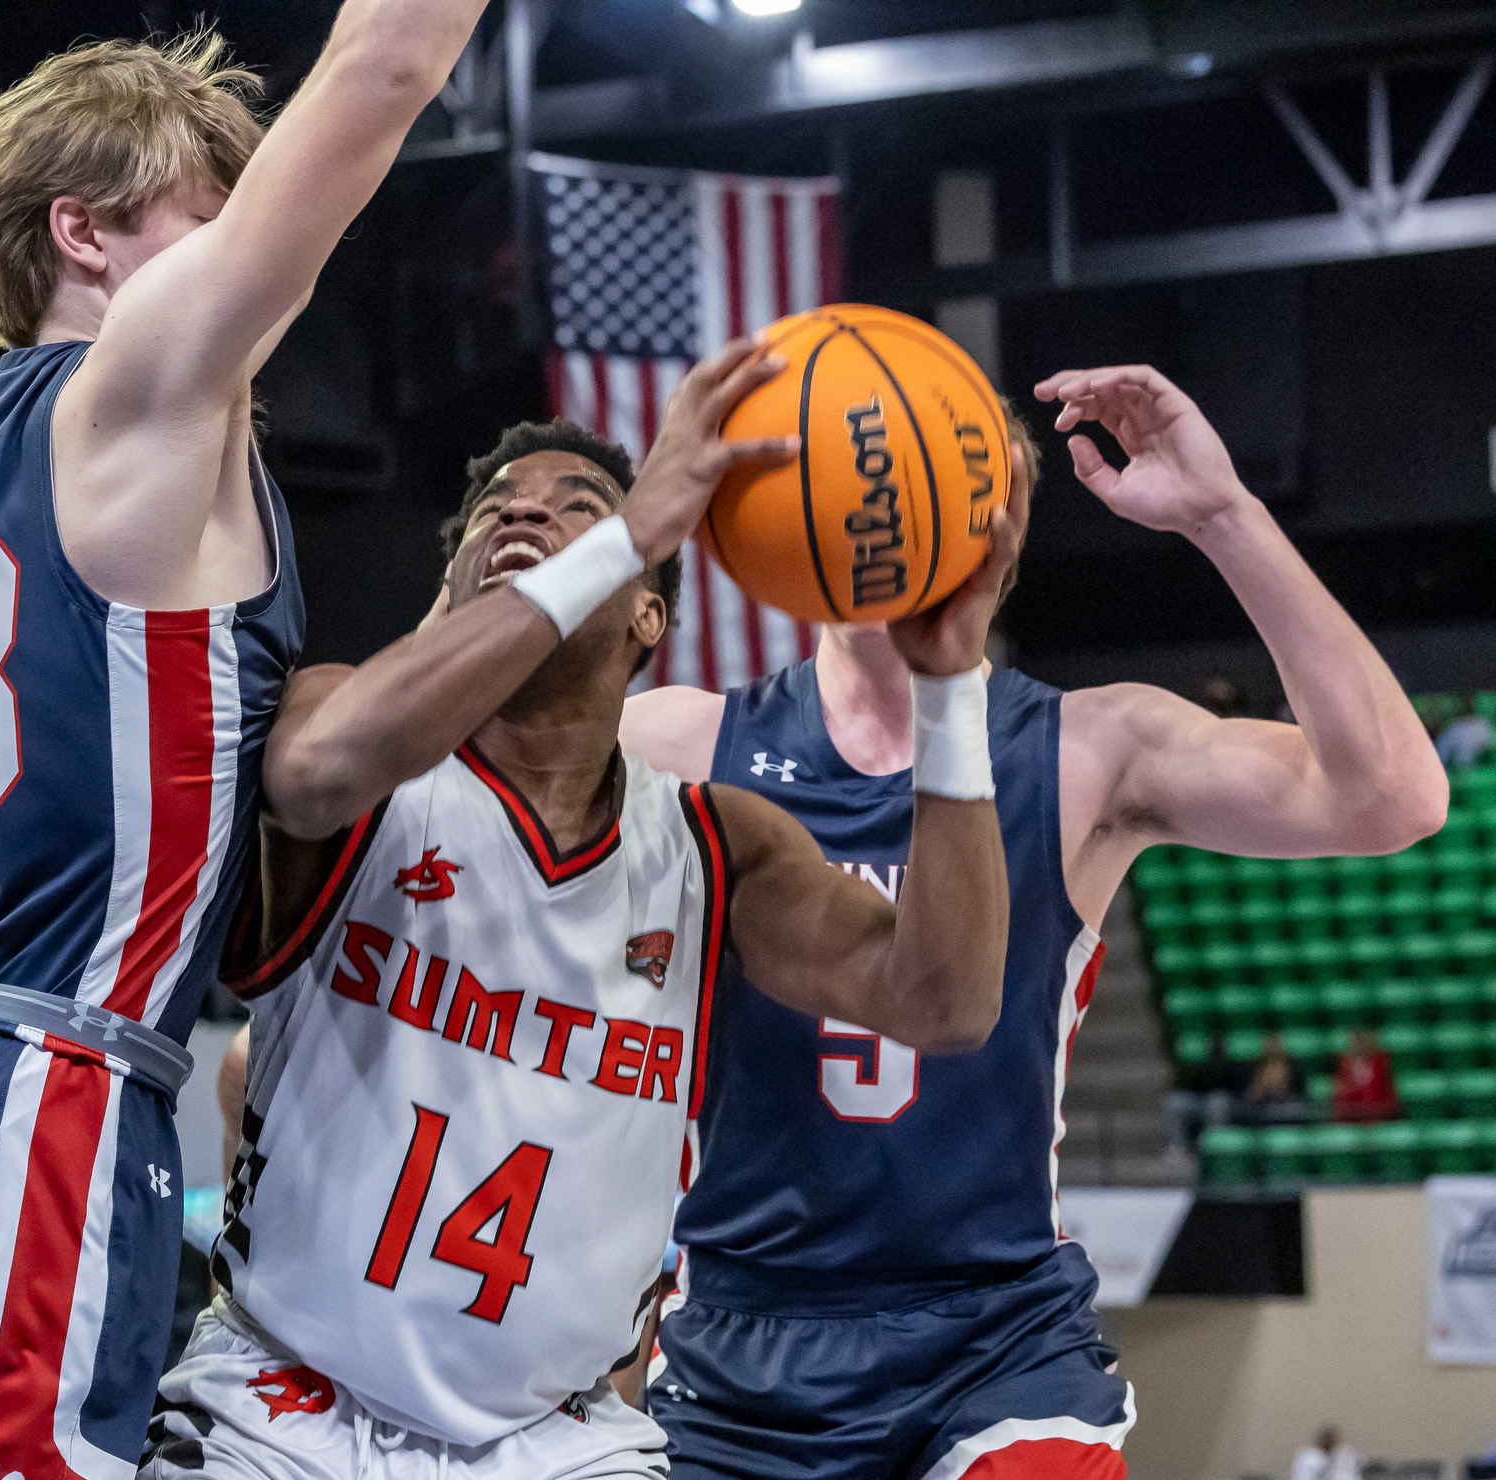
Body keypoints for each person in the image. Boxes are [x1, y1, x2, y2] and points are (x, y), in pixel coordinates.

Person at [0, 10, 499, 1476]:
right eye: (208, 209)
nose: (252, 243)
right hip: (27, 1090)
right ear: (84, 236)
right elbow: (381, 69)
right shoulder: (128, 391)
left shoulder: (39, 432)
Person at [141, 341, 1019, 1476]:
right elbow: (310, 776)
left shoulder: (715, 847)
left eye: (576, 508)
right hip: (280, 1409)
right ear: (449, 587)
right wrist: (623, 529)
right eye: (494, 514)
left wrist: (948, 682)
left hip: (555, 1442)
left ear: (648, 616)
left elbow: (946, 1002)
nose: (523, 517)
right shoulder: (353, 744)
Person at [619, 363, 1448, 1479]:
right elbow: (424, 800)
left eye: (924, 487)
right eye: (860, 480)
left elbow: (1391, 797)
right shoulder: (677, 744)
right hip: (736, 1339)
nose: (887, 512)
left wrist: (1222, 516)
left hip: (993, 1342)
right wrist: (632, 533)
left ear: (992, 536)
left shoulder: (1084, 751)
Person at [1332, 1026, 1399, 1122]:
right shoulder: (1344, 1063)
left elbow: (1390, 1098)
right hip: (1351, 1121)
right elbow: (1340, 1099)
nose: (1361, 1043)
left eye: (1364, 1039)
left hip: (1379, 1119)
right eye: (1358, 1039)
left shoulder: (1382, 1061)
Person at [1240, 1030, 1307, 1125]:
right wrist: (1261, 1087)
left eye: (1277, 1066)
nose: (1272, 1071)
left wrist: (1283, 1089)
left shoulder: (1295, 1100)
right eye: (1269, 1065)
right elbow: (1247, 1110)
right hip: (1259, 1125)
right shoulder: (1252, 1091)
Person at [1291, 1425, 1363, 1480]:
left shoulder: (1342, 1458)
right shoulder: (1308, 1459)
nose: (1327, 1441)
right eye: (1325, 1438)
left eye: (1330, 1438)